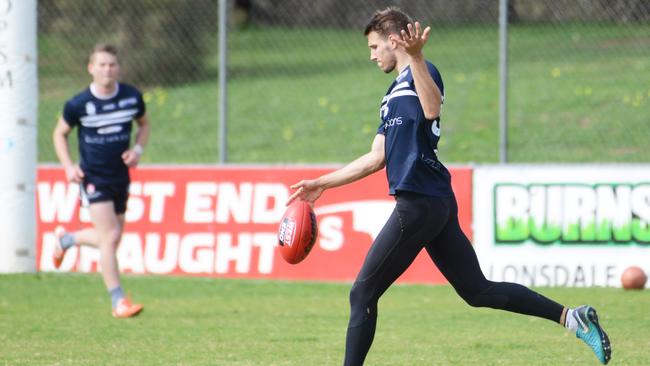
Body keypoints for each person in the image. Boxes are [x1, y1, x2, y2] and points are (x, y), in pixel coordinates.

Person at [287, 7, 611, 365]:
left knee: (362, 293)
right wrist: (322, 183)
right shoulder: (391, 94)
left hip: (420, 203)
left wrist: (418, 56)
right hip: (433, 202)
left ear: (395, 41)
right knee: (476, 290)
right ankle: (572, 317)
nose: (372, 54)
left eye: (375, 46)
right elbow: (376, 156)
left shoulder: (424, 73)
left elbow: (431, 108)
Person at [52, 43, 150, 318]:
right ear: (91, 68)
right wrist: (68, 166)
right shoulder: (78, 104)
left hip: (121, 176)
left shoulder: (131, 97)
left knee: (112, 240)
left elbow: (144, 124)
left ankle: (66, 240)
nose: (107, 69)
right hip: (93, 176)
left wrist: (138, 150)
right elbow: (59, 134)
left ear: (118, 68)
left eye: (112, 65)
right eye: (102, 64)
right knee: (110, 236)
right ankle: (118, 300)